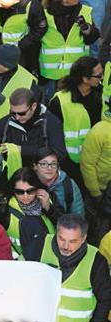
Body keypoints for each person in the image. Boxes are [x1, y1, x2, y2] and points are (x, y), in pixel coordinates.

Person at [39, 0, 99, 100]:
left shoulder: (84, 11)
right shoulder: (45, 14)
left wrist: (86, 29)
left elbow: (92, 38)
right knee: (51, 104)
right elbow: (36, 43)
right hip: (51, 75)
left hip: (75, 74)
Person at [0, 167, 61, 260]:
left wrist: (49, 208)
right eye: (19, 192)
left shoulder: (49, 198)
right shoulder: (2, 208)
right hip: (20, 263)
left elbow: (65, 225)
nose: (25, 196)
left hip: (50, 260)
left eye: (30, 191)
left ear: (37, 188)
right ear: (13, 190)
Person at [0, 88, 68, 170]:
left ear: (34, 106)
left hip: (42, 178)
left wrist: (23, 150)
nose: (17, 117)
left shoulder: (51, 122)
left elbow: (59, 153)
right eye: (13, 113)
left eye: (22, 113)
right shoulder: (4, 123)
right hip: (12, 178)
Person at [48, 56, 104, 166]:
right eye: (98, 76)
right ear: (85, 79)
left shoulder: (103, 96)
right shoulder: (60, 101)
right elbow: (52, 135)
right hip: (70, 162)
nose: (102, 78)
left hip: (98, 158)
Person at [0, 0, 48, 72]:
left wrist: (22, 44)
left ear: (17, 1)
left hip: (14, 53)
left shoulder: (32, 6)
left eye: (3, 5)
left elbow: (40, 28)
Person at [80, 108, 111, 241]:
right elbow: (87, 164)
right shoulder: (99, 131)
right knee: (98, 229)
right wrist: (96, 193)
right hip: (100, 192)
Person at [34, 147, 84, 217]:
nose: (49, 168)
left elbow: (78, 217)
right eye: (44, 164)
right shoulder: (29, 183)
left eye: (53, 164)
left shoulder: (68, 184)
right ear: (35, 166)